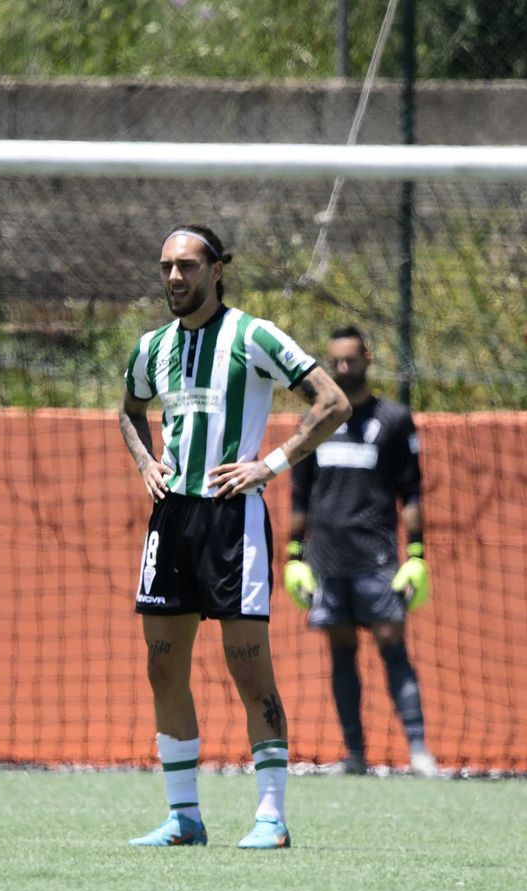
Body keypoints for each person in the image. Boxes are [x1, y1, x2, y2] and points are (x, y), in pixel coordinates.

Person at [118, 224, 351, 849]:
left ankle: (271, 818)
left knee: (249, 669)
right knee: (162, 669)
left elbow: (331, 402)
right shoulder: (151, 347)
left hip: (232, 516)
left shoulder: (253, 335)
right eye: (165, 265)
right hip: (172, 520)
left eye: (187, 265)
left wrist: (268, 465)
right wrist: (146, 463)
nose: (174, 277)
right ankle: (183, 817)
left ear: (216, 269)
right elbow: (129, 407)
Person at [283, 326, 438, 777]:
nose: (344, 369)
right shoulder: (315, 421)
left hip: (377, 559)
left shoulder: (393, 419)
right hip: (327, 561)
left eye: (352, 360)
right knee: (340, 650)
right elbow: (299, 495)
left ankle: (419, 750)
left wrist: (417, 556)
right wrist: (293, 558)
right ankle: (354, 755)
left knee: (392, 645)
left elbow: (411, 493)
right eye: (337, 362)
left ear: (368, 358)